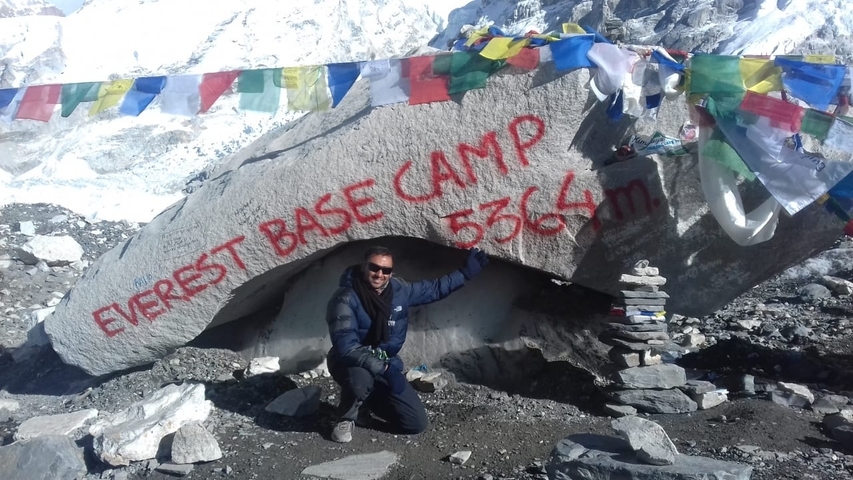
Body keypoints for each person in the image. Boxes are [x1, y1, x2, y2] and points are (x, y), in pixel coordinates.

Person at [325, 245, 489, 443]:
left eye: (386, 270)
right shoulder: (345, 298)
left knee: (415, 423)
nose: (379, 274)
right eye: (374, 268)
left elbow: (435, 289)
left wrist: (465, 273)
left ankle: (367, 402)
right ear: (364, 267)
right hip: (350, 361)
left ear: (391, 273)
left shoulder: (399, 291)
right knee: (360, 379)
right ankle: (346, 416)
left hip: (386, 361)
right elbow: (347, 347)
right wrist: (385, 369)